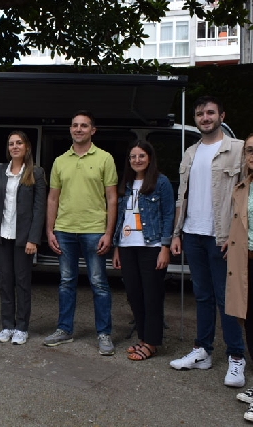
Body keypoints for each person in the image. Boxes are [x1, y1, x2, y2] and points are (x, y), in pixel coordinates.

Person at [169, 96, 246, 387]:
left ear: (221, 115)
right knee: (200, 297)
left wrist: (236, 237)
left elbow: (245, 194)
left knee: (227, 299)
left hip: (222, 237)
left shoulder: (237, 150)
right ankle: (203, 350)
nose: (205, 117)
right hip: (193, 234)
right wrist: (177, 234)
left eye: (210, 112)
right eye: (200, 113)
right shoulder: (190, 152)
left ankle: (236, 357)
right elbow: (182, 197)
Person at [43, 110, 118, 356]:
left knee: (98, 283)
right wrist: (50, 229)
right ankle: (64, 330)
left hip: (94, 230)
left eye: (84, 126)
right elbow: (52, 199)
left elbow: (112, 198)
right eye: (74, 125)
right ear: (70, 129)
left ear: (92, 131)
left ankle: (104, 334)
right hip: (64, 230)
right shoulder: (60, 161)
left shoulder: (105, 158)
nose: (78, 129)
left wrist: (109, 233)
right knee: (66, 283)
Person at [112, 140, 174, 361]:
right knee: (134, 295)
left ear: (150, 158)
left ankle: (152, 342)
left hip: (152, 246)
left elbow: (168, 215)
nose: (137, 160)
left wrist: (165, 247)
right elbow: (122, 217)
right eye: (133, 157)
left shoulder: (162, 182)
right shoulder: (126, 184)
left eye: (141, 156)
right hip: (128, 247)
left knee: (152, 296)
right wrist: (117, 248)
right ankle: (143, 338)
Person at [0, 131, 46, 345]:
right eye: (11, 143)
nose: (15, 146)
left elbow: (39, 209)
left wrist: (33, 239)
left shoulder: (36, 173)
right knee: (5, 283)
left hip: (23, 239)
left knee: (22, 283)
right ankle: (7, 326)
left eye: (19, 143)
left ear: (27, 147)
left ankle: (21, 328)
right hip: (2, 236)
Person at [226, 134, 253, 421]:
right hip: (246, 263)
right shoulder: (243, 187)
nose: (252, 154)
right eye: (249, 150)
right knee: (250, 322)